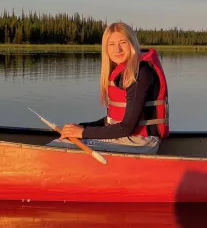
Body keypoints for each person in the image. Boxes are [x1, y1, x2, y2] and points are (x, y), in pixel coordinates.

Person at [49, 22, 169, 154]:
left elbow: (126, 128)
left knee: (57, 147)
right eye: (111, 44)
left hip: (141, 141)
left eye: (123, 42)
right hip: (127, 138)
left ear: (132, 44)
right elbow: (111, 121)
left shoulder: (139, 73)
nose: (117, 49)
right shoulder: (120, 72)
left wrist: (83, 132)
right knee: (67, 139)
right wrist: (82, 126)